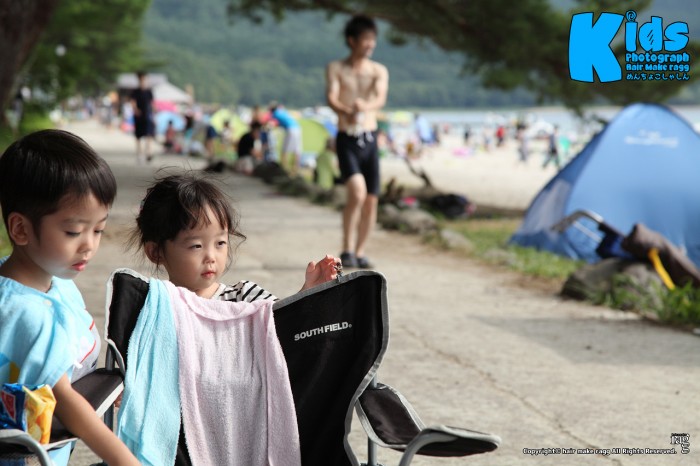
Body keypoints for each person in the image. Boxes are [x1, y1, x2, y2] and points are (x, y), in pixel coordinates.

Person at [0, 129, 140, 466]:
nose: (89, 245)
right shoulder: (27, 313)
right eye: (73, 231)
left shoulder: (53, 282)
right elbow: (68, 405)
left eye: (98, 230)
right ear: (20, 229)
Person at [129, 172, 341, 302]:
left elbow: (283, 324)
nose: (211, 257)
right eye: (196, 246)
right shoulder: (154, 305)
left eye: (220, 243)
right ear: (156, 252)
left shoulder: (245, 297)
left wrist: (307, 292)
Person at [326, 14, 389, 269]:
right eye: (366, 39)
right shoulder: (336, 68)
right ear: (352, 40)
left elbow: (380, 98)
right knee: (357, 193)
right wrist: (346, 110)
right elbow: (331, 97)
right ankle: (347, 247)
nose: (370, 44)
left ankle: (360, 252)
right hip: (347, 138)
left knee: (371, 200)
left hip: (370, 138)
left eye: (373, 39)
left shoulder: (378, 71)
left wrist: (365, 106)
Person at [268, 102, 302, 174]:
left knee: (285, 148)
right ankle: (296, 167)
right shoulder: (282, 111)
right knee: (297, 149)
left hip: (290, 129)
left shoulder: (274, 114)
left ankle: (283, 167)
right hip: (297, 128)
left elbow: (272, 124)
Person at [130, 71, 155, 164]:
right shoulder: (135, 91)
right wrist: (136, 110)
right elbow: (133, 102)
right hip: (138, 116)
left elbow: (152, 103)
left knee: (149, 135)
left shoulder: (149, 91)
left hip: (147, 116)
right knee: (138, 136)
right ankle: (139, 154)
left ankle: (148, 152)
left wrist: (153, 114)